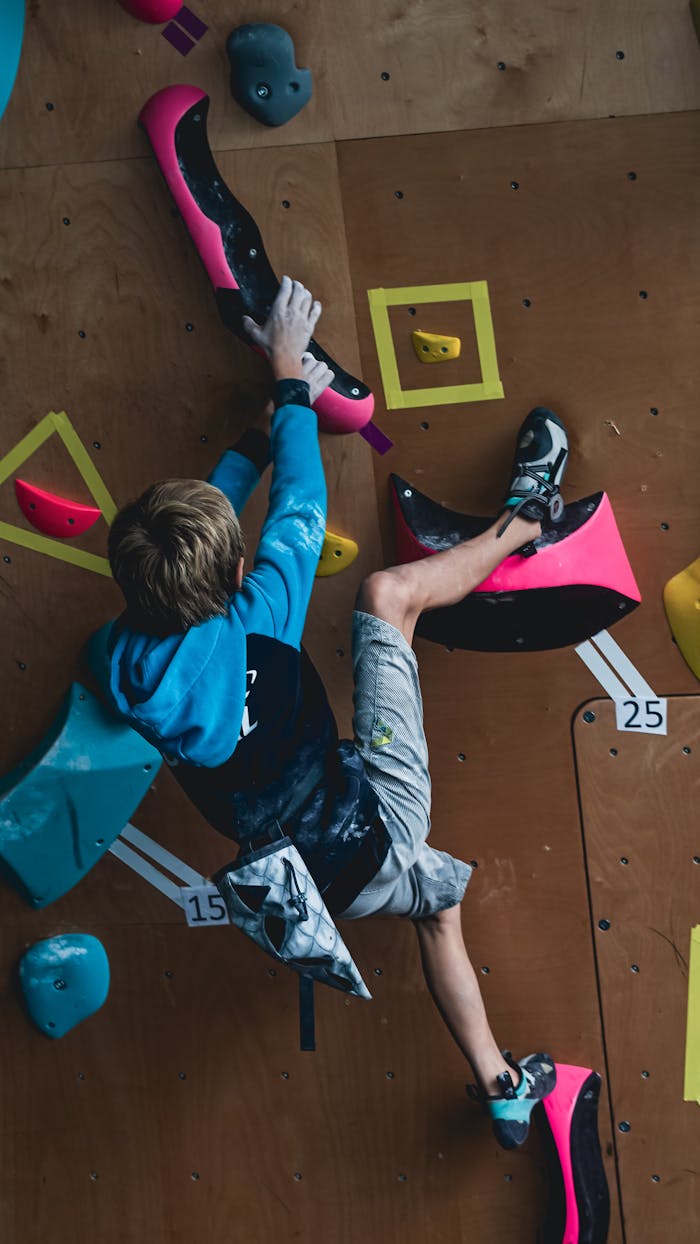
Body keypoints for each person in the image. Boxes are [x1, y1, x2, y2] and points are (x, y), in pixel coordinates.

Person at [100, 276, 569, 1150]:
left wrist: (254, 431)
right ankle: (528, 523)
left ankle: (504, 1088)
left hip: (305, 881)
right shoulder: (263, 618)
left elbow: (179, 552)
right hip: (374, 819)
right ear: (237, 578)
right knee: (388, 595)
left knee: (434, 909)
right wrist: (289, 383)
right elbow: (302, 502)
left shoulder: (124, 662)